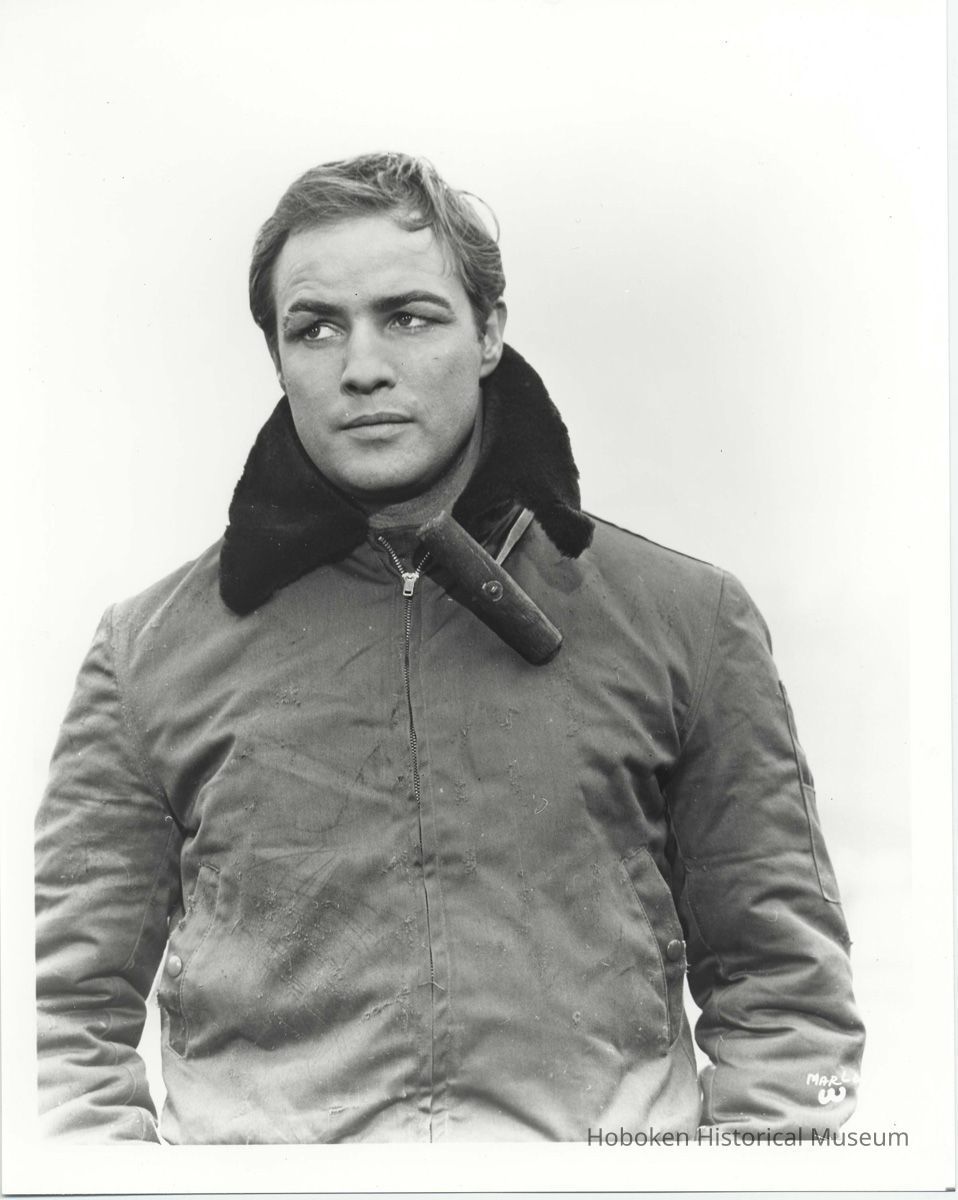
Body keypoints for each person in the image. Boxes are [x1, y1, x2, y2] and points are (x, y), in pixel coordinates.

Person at [35, 151, 864, 1144]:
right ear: (278, 357)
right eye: (316, 327)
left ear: (488, 334)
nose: (362, 366)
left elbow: (788, 998)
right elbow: (58, 1019)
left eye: (410, 316)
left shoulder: (691, 619)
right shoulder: (146, 652)